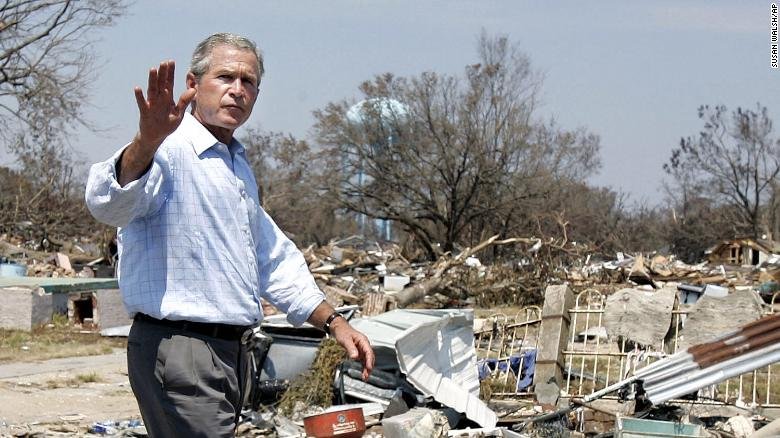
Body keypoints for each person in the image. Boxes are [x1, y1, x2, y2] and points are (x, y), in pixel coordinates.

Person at [85, 33, 374, 437]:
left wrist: (335, 323)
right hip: (182, 348)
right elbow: (107, 204)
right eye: (225, 77)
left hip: (231, 352)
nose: (237, 90)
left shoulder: (235, 165)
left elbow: (272, 259)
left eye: (248, 81)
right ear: (192, 84)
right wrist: (145, 142)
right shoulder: (168, 150)